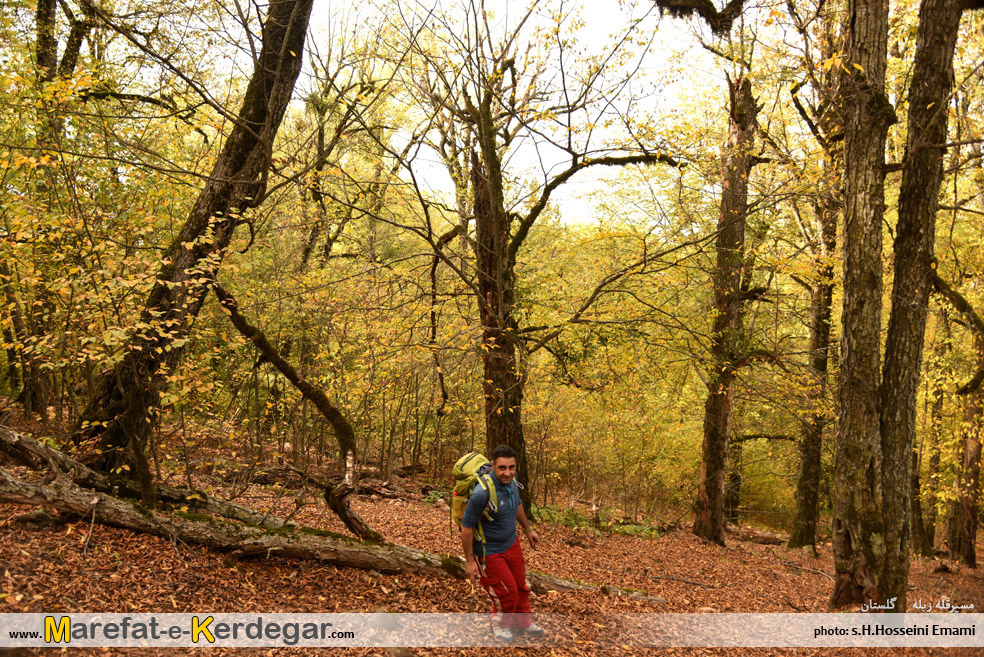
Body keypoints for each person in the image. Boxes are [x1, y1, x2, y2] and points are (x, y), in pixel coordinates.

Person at [460, 444, 545, 642]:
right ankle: (499, 624)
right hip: (489, 551)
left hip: (511, 544)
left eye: (511, 467)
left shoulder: (512, 483)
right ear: (493, 466)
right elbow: (466, 527)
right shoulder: (481, 493)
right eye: (502, 468)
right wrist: (469, 560)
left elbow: (517, 505)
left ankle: (522, 622)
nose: (507, 473)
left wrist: (528, 529)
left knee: (522, 587)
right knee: (506, 591)